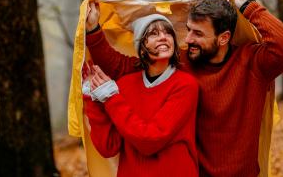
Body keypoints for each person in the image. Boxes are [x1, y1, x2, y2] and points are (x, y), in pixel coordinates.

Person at [85, 0, 283, 177]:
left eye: (197, 33)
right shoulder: (185, 61)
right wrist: (94, 30)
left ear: (223, 38)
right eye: (188, 30)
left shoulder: (254, 63)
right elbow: (124, 67)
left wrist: (250, 7)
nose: (187, 40)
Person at [83, 14, 199, 177]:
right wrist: (92, 96)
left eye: (168, 33)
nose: (163, 38)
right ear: (141, 47)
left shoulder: (185, 85)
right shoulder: (124, 85)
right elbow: (108, 146)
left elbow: (150, 140)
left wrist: (110, 97)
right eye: (153, 34)